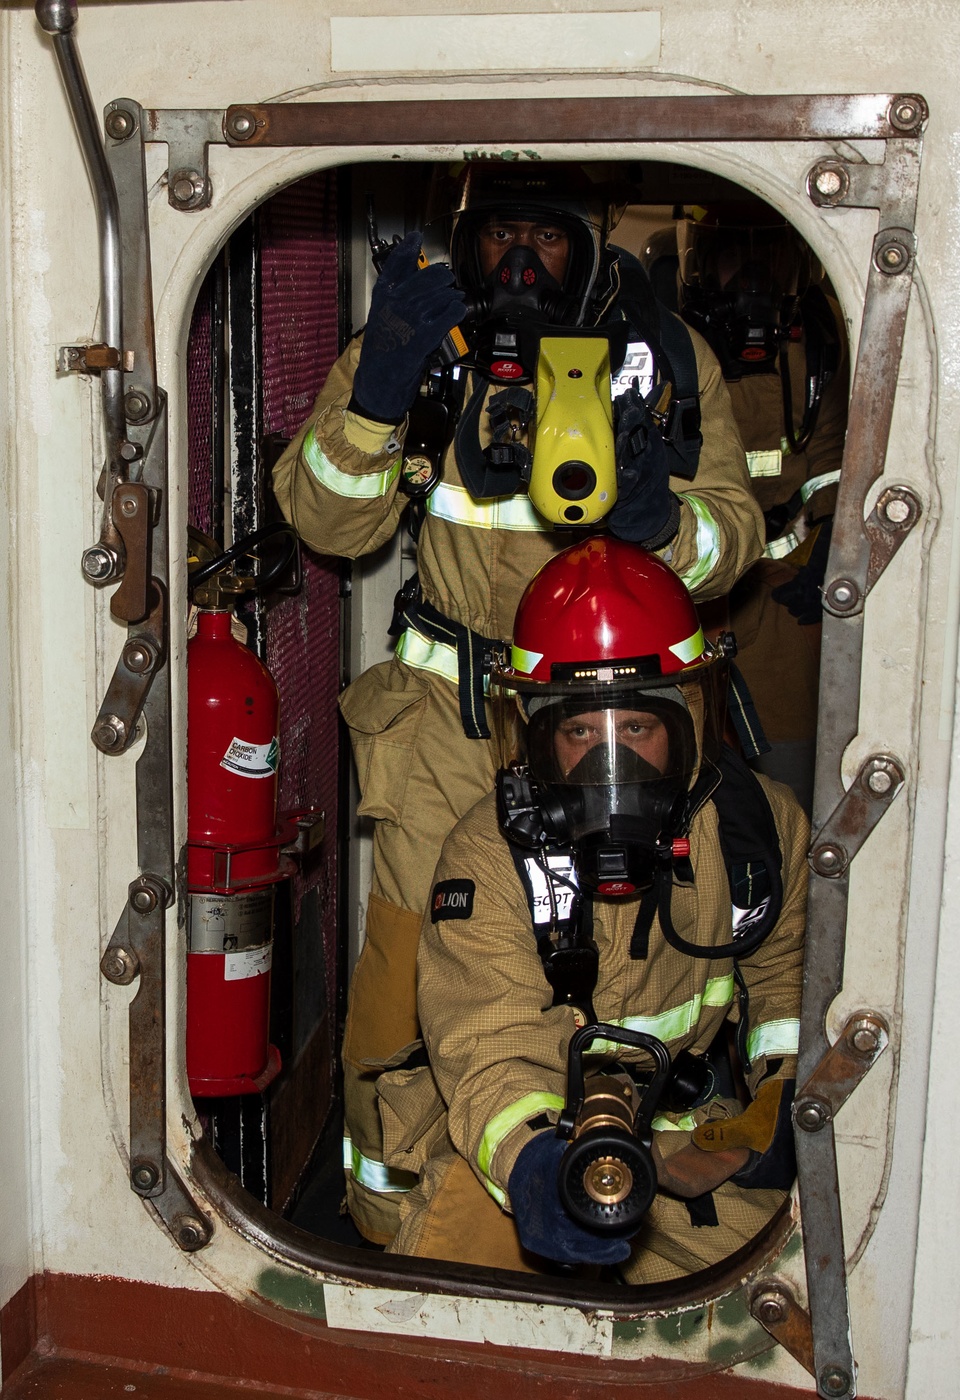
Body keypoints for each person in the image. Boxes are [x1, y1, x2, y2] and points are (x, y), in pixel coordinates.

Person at [272, 164, 765, 1243]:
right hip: (449, 733)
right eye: (500, 238)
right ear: (465, 238)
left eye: (546, 239)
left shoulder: (666, 359)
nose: (522, 264)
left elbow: (736, 534)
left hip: (615, 724)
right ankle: (390, 1218)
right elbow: (325, 520)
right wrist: (375, 394)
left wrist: (658, 520)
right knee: (405, 991)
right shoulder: (421, 343)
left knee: (620, 957)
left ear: (588, 244)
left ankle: (598, 1181)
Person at [379, 537, 807, 1278]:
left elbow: (789, 979)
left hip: (684, 1139)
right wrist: (536, 1166)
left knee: (790, 1298)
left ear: (687, 723)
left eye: (637, 729)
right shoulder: (491, 853)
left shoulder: (755, 833)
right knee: (455, 1319)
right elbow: (487, 1041)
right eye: (580, 731)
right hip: (518, 1135)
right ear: (538, 734)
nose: (613, 766)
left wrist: (785, 1109)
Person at [667, 205, 849, 811]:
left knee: (789, 784)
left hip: (780, 593)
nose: (749, 281)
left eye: (767, 260)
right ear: (697, 266)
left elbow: (832, 466)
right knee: (679, 772)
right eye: (729, 258)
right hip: (683, 587)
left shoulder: (817, 356)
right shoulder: (669, 351)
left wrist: (830, 547)